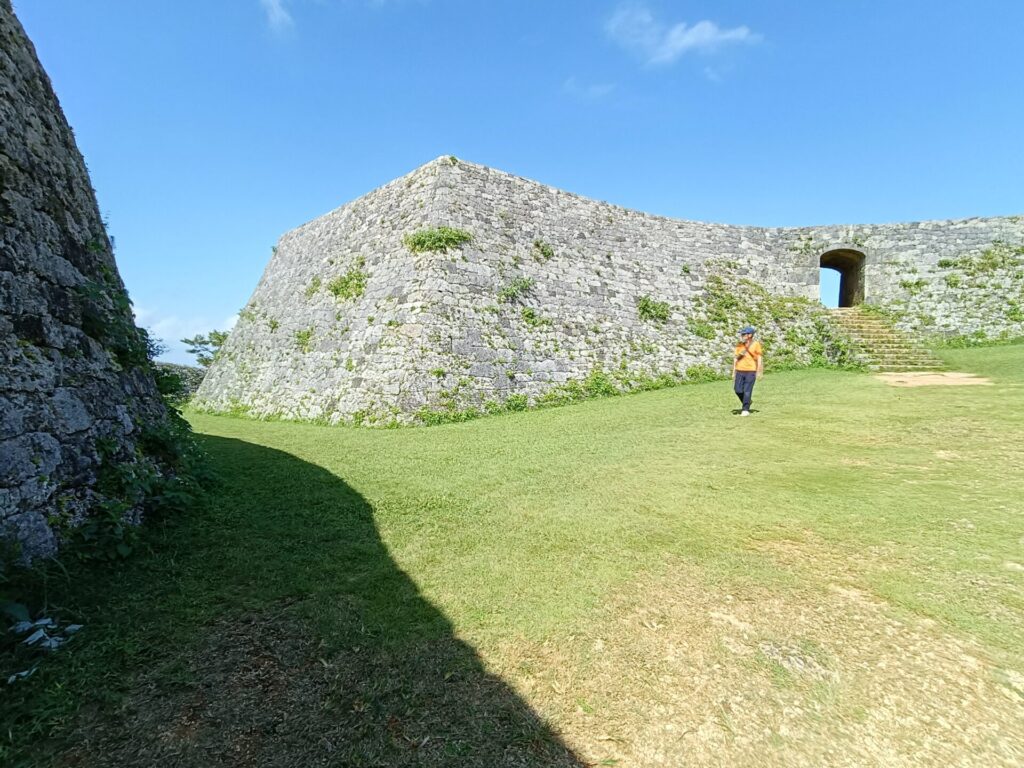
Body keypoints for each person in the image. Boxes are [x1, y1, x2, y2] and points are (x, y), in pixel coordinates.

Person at [732, 325, 763, 416]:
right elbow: (735, 358)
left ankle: (745, 409)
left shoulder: (756, 344)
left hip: (751, 370)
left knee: (747, 390)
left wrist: (759, 370)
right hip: (739, 370)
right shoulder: (739, 345)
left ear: (750, 335)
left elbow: (759, 358)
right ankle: (748, 401)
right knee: (737, 390)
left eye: (744, 334)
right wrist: (734, 370)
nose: (742, 335)